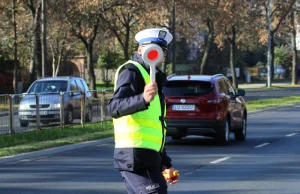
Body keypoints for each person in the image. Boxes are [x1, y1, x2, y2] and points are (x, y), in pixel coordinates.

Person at [107, 28, 178, 194]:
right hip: (134, 155)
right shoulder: (131, 72)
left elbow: (154, 128)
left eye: (163, 50)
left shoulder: (154, 78)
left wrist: (166, 164)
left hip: (148, 157)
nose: (159, 54)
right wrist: (143, 99)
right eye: (154, 48)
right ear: (140, 50)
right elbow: (114, 107)